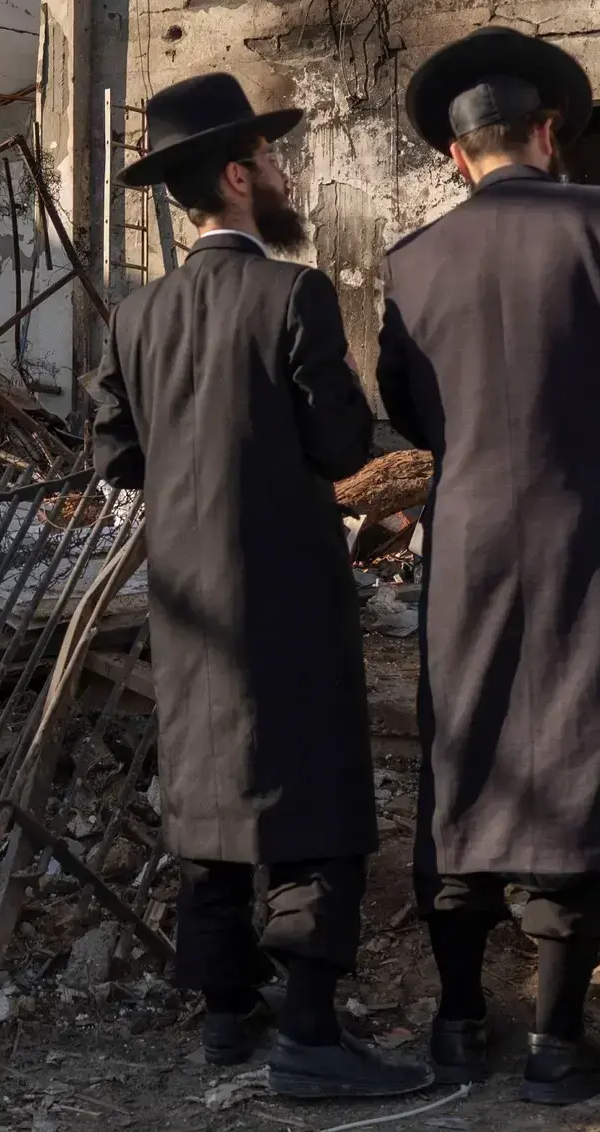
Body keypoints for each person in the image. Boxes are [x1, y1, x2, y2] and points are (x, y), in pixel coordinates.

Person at [377, 28, 600, 1104]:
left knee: (462, 757)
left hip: (464, 537)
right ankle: (559, 1042)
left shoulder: (411, 259)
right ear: (550, 130)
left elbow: (408, 410)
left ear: (453, 155)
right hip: (594, 535)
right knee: (580, 756)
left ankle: (459, 1020)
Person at [92, 72, 432, 1101]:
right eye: (274, 162)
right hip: (282, 584)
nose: (285, 177)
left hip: (185, 594)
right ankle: (313, 1035)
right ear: (239, 176)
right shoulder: (294, 294)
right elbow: (336, 443)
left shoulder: (135, 315)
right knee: (308, 801)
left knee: (208, 800)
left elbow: (113, 456)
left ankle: (225, 1020)